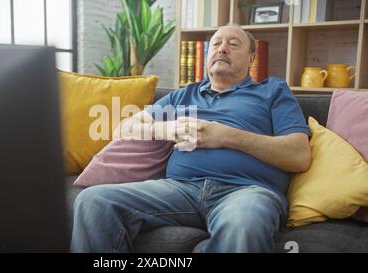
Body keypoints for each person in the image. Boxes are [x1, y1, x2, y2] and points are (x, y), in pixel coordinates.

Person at [70, 24, 311, 253]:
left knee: (244, 224)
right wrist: (165, 129)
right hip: (180, 189)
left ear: (251, 59)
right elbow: (125, 127)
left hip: (247, 190)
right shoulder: (183, 95)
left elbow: (299, 156)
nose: (222, 48)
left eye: (234, 44)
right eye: (216, 43)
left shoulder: (273, 91)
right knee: (94, 201)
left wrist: (226, 136)